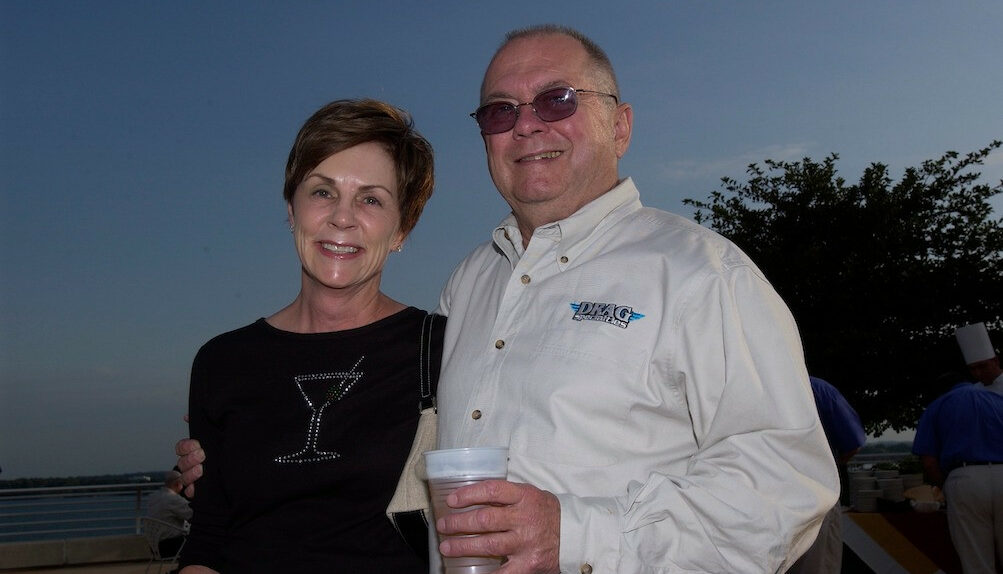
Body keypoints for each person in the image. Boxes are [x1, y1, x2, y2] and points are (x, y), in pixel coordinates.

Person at [179, 26, 838, 573]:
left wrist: (578, 536)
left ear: (620, 124)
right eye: (500, 110)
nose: (526, 125)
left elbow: (785, 485)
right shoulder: (470, 285)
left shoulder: (698, 272)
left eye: (556, 100)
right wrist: (218, 465)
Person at [178, 99, 440, 573]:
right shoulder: (222, 361)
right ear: (291, 208)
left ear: (402, 228)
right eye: (322, 192)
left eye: (371, 199)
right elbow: (209, 538)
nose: (343, 217)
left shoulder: (439, 349)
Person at [913, 366, 1003, 572]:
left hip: (965, 479)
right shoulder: (998, 400)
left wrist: (943, 486)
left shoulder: (938, 406)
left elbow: (928, 461)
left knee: (977, 559)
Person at [787, 377, 866, 574]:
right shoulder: (821, 390)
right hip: (818, 490)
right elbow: (852, 444)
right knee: (819, 566)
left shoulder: (755, 387)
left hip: (765, 493)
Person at [146, 470, 193, 559]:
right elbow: (192, 515)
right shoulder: (173, 499)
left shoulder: (154, 496)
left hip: (155, 547)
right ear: (177, 484)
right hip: (171, 546)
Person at [956, 322, 1003, 394]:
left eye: (982, 366)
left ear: (996, 361)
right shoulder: (972, 392)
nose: (978, 373)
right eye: (972, 369)